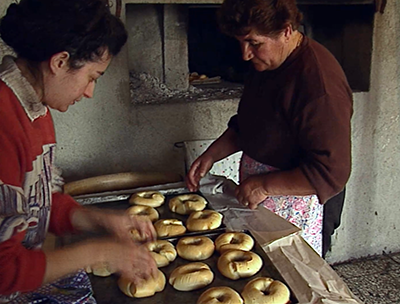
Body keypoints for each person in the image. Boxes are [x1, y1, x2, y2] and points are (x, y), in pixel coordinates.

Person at [0, 0, 157, 302]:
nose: (89, 92)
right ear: (60, 62)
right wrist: (99, 251)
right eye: (92, 77)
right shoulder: (5, 122)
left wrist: (97, 220)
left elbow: (37, 202)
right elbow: (4, 271)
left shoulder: (36, 108)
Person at [186, 0, 353, 258]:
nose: (244, 54)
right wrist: (211, 155)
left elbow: (332, 172)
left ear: (286, 30)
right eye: (240, 42)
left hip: (295, 204)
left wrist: (263, 186)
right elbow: (250, 124)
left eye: (254, 43)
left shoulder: (318, 85)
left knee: (290, 280)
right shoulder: (268, 63)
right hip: (260, 198)